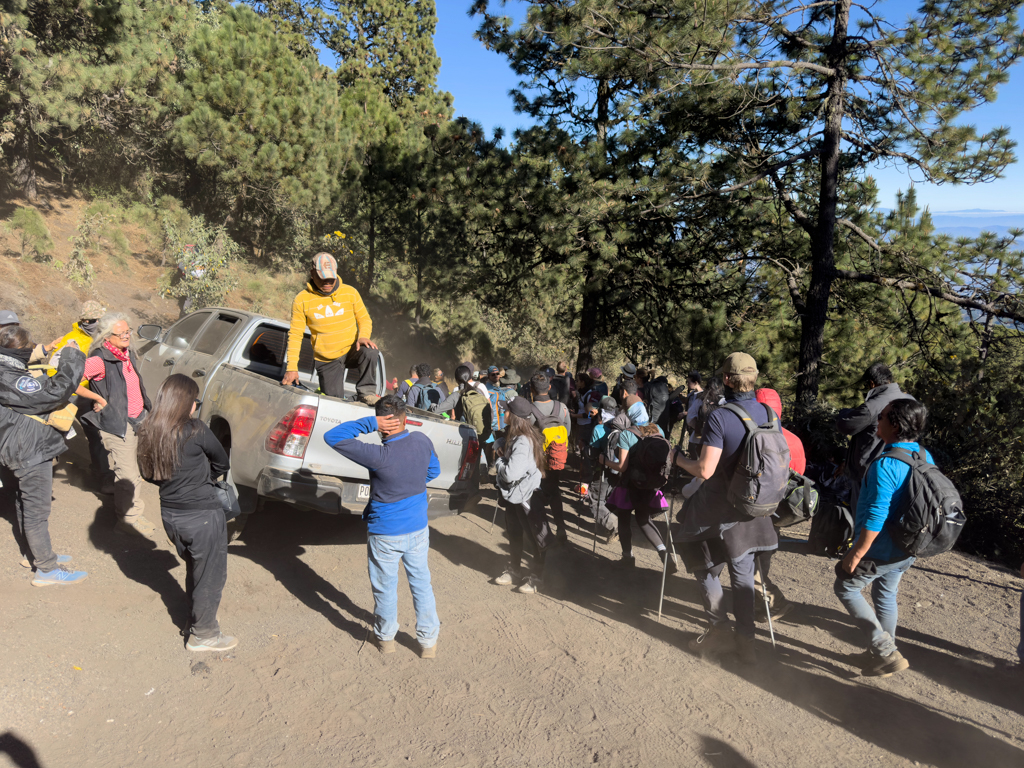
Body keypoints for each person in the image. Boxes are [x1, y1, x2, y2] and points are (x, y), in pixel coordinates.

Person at [673, 352, 782, 664]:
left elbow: (705, 470)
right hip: (756, 508)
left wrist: (676, 458)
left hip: (720, 507)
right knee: (743, 573)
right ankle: (746, 640)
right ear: (754, 378)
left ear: (725, 379)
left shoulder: (721, 417)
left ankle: (719, 628)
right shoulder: (769, 414)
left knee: (693, 550)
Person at [324, 395, 441, 657]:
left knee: (385, 587)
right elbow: (433, 471)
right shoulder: (422, 441)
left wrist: (370, 422)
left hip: (385, 532)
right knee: (422, 584)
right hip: (418, 528)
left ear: (382, 423)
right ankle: (428, 643)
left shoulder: (378, 455)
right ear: (405, 418)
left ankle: (386, 640)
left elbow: (333, 436)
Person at [136, 374, 237, 651]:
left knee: (196, 569)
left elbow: (148, 473)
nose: (196, 405)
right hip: (203, 515)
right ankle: (204, 635)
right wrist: (204, 479)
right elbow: (221, 461)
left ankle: (193, 620)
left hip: (170, 515)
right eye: (195, 400)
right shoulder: (195, 430)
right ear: (186, 403)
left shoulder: (147, 428)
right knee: (210, 575)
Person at [834, 398, 930, 678]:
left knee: (845, 588)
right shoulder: (923, 455)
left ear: (895, 425)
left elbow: (876, 515)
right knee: (885, 594)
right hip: (907, 546)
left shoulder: (886, 464)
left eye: (883, 417)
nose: (878, 420)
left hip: (882, 549)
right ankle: (881, 654)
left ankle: (886, 651)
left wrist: (856, 553)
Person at [0, 325, 88, 585]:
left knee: (24, 502)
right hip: (28, 450)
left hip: (15, 446)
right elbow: (51, 394)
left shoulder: (6, 368)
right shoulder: (8, 376)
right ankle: (47, 570)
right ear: (22, 350)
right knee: (37, 510)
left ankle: (35, 554)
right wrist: (71, 358)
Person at [80, 313, 157, 538]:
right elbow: (72, 380)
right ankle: (127, 520)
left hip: (136, 419)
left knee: (134, 470)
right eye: (121, 333)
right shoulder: (99, 359)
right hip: (117, 423)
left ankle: (127, 507)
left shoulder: (125, 354)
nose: (127, 336)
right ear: (106, 336)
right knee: (128, 474)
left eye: (128, 331)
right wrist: (98, 399)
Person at [599, 379, 677, 572]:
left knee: (624, 520)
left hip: (630, 484)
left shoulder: (627, 434)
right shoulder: (656, 429)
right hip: (651, 483)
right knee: (643, 520)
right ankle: (665, 557)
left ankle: (628, 558)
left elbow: (622, 467)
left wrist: (604, 461)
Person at [282, 253, 380, 404]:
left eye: (331, 278)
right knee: (334, 404)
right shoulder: (302, 300)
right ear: (312, 274)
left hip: (352, 349)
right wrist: (292, 367)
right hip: (327, 358)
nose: (327, 282)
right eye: (322, 278)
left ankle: (366, 393)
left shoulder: (350, 292)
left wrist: (363, 336)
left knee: (370, 350)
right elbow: (295, 335)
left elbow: (365, 319)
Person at [753, 387, 806, 622]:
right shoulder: (794, 439)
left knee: (750, 561)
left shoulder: (759, 439)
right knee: (762, 557)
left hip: (759, 509)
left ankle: (775, 602)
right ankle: (762, 601)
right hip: (782, 510)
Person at [47, 300, 112, 491]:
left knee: (95, 434)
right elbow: (52, 368)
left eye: (100, 320)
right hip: (70, 395)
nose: (98, 324)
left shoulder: (106, 338)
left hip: (93, 394)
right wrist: (64, 389)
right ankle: (45, 471)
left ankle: (104, 476)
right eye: (94, 320)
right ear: (86, 321)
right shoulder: (72, 340)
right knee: (56, 430)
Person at [835, 362, 913, 514]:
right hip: (901, 469)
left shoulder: (873, 406)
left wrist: (845, 412)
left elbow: (845, 425)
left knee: (864, 518)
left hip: (868, 473)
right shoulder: (910, 401)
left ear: (871, 383)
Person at [492, 397, 551, 594]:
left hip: (526, 496)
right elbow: (504, 443)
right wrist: (499, 443)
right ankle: (515, 569)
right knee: (515, 533)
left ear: (515, 416)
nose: (503, 413)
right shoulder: (517, 435)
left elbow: (509, 474)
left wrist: (499, 461)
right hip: (514, 496)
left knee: (534, 537)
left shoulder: (523, 442)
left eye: (506, 411)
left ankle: (537, 576)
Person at [530, 373, 572, 542]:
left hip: (538, 460)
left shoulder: (530, 409)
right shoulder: (562, 408)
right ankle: (561, 527)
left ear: (532, 390)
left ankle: (542, 531)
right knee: (555, 491)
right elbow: (567, 433)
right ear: (549, 388)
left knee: (537, 493)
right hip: (558, 457)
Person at [588, 397, 625, 543]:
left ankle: (615, 526)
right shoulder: (622, 424)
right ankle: (611, 524)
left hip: (602, 470)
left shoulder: (599, 428)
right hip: (619, 470)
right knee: (610, 499)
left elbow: (592, 453)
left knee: (596, 501)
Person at [430, 365, 491, 441]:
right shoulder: (478, 391)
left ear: (456, 379)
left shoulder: (456, 395)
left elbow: (436, 410)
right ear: (470, 377)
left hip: (465, 436)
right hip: (481, 434)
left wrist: (432, 405)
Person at [686, 376, 724, 460]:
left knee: (696, 463)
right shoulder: (724, 401)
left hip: (698, 438)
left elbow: (689, 419)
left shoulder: (701, 399)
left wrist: (698, 427)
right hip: (717, 440)